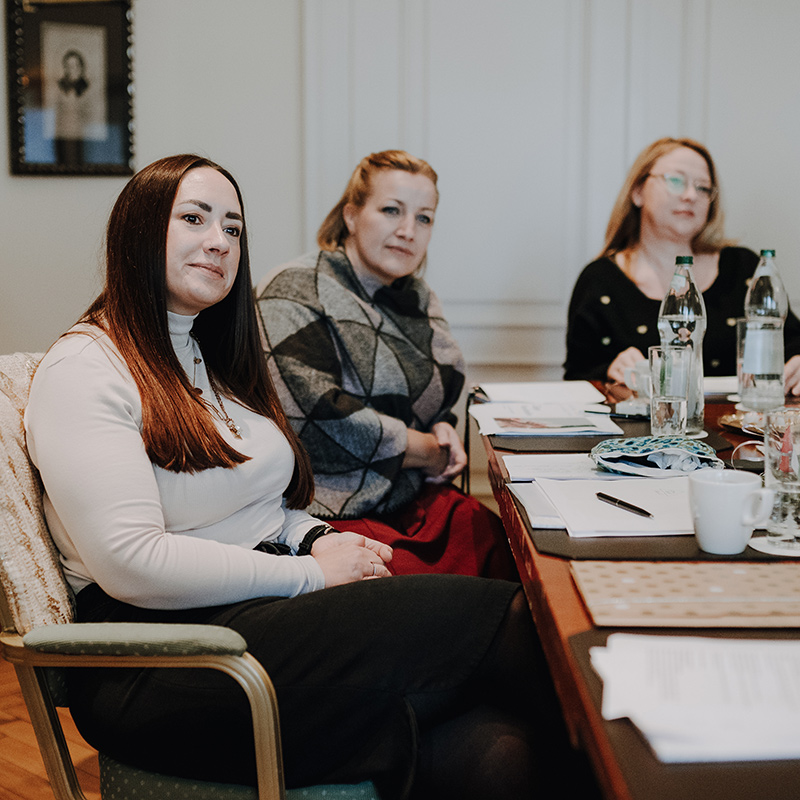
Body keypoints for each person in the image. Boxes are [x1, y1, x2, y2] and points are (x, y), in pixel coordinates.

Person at [25, 154, 594, 799]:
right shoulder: (87, 368)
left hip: (246, 613)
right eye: (194, 218)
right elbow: (131, 562)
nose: (219, 240)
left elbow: (254, 504)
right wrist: (310, 573)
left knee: (495, 746)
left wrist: (313, 536)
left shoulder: (200, 352)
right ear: (137, 230)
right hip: (161, 659)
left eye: (233, 228)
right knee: (519, 620)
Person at [256, 150, 516, 580]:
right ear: (352, 215)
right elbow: (315, 420)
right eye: (391, 210)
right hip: (329, 512)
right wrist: (429, 450)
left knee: (516, 560)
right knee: (468, 604)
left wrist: (443, 426)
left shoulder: (417, 296)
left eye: (424, 218)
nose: (407, 231)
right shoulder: (294, 288)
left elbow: (440, 390)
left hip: (412, 499)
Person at [564, 136, 800, 389]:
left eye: (703, 188)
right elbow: (577, 375)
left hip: (736, 425)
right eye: (676, 181)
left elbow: (793, 343)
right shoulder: (599, 279)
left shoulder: (743, 267)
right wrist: (609, 369)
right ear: (638, 191)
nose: (691, 195)